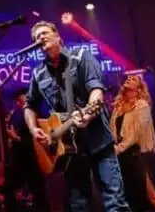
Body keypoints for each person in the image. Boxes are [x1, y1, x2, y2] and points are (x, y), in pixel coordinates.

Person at [24, 21, 130, 212]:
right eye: (37, 37)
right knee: (79, 206)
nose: (41, 38)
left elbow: (96, 90)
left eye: (45, 33)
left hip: (97, 142)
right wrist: (34, 129)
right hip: (69, 152)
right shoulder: (38, 73)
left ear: (57, 35)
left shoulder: (81, 57)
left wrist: (88, 115)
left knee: (115, 202)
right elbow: (29, 106)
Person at [111, 75, 155, 212]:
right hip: (121, 157)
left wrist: (118, 149)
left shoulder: (142, 105)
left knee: (152, 198)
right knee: (131, 199)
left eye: (133, 80)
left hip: (136, 155)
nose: (128, 79)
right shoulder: (118, 106)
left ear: (138, 89)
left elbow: (135, 135)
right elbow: (113, 132)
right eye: (128, 78)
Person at [2, 89, 49, 211]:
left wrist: (15, 137)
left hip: (32, 159)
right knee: (35, 191)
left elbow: (33, 141)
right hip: (24, 160)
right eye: (16, 101)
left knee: (37, 190)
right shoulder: (19, 115)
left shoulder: (35, 113)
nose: (17, 103)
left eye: (19, 99)